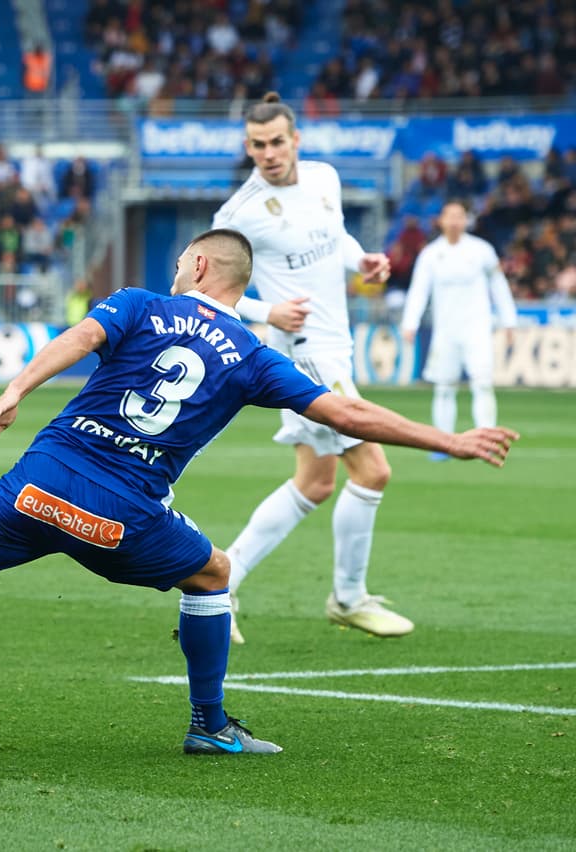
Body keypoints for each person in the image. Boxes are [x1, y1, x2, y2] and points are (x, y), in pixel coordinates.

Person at [0, 229, 515, 756]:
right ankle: (210, 724)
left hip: (35, 484)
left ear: (197, 265)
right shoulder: (255, 356)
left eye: (180, 260)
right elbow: (346, 412)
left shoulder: (141, 303)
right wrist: (451, 440)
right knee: (213, 573)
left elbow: (73, 340)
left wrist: (12, 391)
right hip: (119, 516)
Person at [212, 92, 406, 644]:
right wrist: (266, 311)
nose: (268, 153)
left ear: (295, 140)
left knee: (315, 482)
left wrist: (362, 260)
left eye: (277, 142)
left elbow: (335, 237)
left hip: (335, 343)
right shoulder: (239, 214)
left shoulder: (324, 177)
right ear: (248, 146)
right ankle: (348, 598)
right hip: (305, 353)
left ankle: (221, 585)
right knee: (373, 471)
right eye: (258, 145)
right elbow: (201, 285)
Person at [400, 199, 518, 457]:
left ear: (466, 220)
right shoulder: (431, 254)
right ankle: (442, 445)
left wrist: (509, 321)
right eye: (450, 216)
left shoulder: (482, 251)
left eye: (459, 216)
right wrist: (410, 323)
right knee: (444, 387)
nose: (454, 221)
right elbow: (419, 290)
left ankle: (486, 440)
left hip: (477, 329)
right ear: (441, 221)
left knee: (482, 383)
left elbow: (499, 286)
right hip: (445, 331)